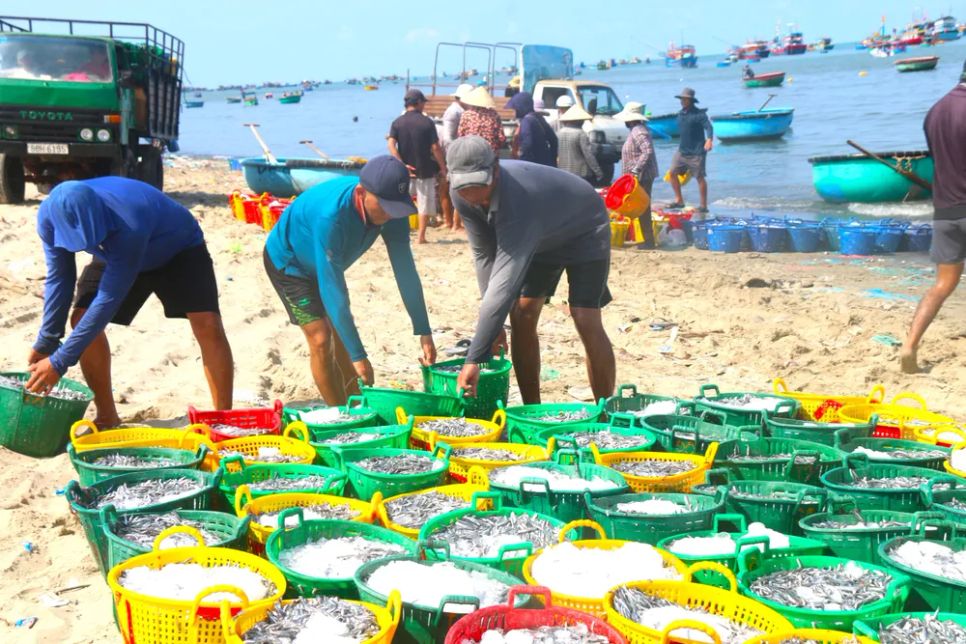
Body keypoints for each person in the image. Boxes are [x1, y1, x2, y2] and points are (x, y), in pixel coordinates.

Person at [26, 177, 233, 427]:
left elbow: (108, 299)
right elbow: (60, 276)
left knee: (207, 324)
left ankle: (223, 419)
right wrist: (48, 339)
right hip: (112, 251)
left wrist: (59, 362)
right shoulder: (48, 219)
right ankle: (107, 416)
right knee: (81, 317)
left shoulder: (129, 220)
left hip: (178, 248)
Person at [446, 135, 615, 404]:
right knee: (522, 314)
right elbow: (484, 255)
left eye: (480, 186)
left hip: (585, 226)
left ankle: (605, 410)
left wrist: (475, 357)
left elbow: (505, 282)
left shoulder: (518, 199)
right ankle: (531, 408)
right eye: (465, 189)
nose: (475, 198)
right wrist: (494, 327)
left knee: (585, 316)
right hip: (542, 237)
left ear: (495, 170)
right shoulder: (459, 196)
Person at [263, 156, 436, 405]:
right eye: (384, 206)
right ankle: (338, 415)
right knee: (322, 338)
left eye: (395, 207)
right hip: (289, 262)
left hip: (325, 262)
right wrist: (359, 355)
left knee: (341, 333)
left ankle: (354, 405)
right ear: (361, 192)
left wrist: (423, 329)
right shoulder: (332, 216)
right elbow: (331, 287)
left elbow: (405, 269)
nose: (390, 214)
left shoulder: (393, 209)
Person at [900, 61, 966, 373]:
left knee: (941, 285)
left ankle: (910, 345)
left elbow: (940, 159)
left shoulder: (935, 111)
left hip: (946, 209)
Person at [388, 89, 448, 244]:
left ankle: (401, 232)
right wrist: (443, 167)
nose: (424, 106)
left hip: (404, 171)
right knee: (424, 203)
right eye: (423, 103)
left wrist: (401, 163)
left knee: (401, 201)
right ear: (419, 102)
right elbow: (435, 148)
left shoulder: (397, 122)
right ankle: (421, 237)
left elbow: (391, 144)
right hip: (424, 169)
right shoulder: (427, 122)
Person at [616, 101, 658, 249]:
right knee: (641, 208)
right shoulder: (635, 130)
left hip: (642, 176)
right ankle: (647, 240)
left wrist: (636, 169)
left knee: (643, 207)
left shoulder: (638, 131)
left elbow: (647, 151)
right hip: (638, 176)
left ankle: (648, 242)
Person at [667, 87, 713, 213]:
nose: (682, 101)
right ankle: (679, 200)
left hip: (697, 153)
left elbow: (709, 127)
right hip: (682, 151)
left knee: (699, 177)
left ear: (691, 100)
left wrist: (709, 139)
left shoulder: (699, 114)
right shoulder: (680, 114)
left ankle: (703, 206)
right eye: (681, 99)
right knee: (672, 173)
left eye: (685, 99)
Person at [439, 83, 472, 231]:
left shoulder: (461, 110)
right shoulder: (454, 112)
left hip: (455, 152)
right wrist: (458, 153)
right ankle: (452, 222)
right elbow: (448, 138)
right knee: (452, 187)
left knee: (453, 187)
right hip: (454, 154)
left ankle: (453, 222)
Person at [506, 91, 558, 166]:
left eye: (516, 109)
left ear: (521, 108)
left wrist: (523, 162)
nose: (516, 112)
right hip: (544, 165)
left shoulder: (526, 121)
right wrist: (552, 160)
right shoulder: (539, 118)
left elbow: (527, 144)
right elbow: (554, 140)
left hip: (533, 166)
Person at [556, 105, 603, 185]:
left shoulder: (559, 133)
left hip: (563, 172)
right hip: (580, 173)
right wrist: (598, 171)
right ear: (578, 121)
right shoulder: (580, 134)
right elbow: (588, 155)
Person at [458, 86, 506, 151]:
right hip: (490, 151)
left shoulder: (466, 115)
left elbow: (461, 135)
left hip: (471, 150)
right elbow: (501, 137)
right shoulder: (494, 114)